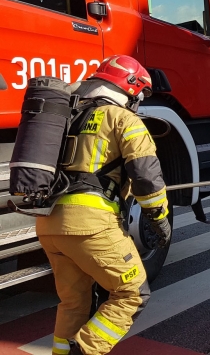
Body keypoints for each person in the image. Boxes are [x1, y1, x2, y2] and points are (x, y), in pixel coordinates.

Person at [36, 55, 171, 354]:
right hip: (90, 224)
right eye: (139, 94)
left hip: (49, 223)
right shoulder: (123, 119)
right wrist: (159, 220)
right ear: (130, 88)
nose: (138, 100)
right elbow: (147, 179)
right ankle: (85, 350)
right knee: (131, 294)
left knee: (74, 302)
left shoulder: (64, 115)